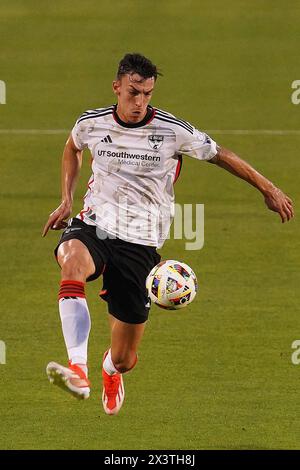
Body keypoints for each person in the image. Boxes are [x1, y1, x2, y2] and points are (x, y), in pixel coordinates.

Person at [42, 53, 294, 415]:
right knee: (71, 262)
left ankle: (110, 370)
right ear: (117, 87)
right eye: (133, 92)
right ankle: (78, 370)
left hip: (141, 242)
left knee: (126, 357)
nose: (139, 102)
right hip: (95, 223)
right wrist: (66, 200)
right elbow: (72, 147)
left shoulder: (172, 131)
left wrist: (267, 188)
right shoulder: (91, 123)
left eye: (146, 94)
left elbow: (220, 154)